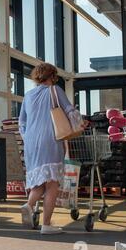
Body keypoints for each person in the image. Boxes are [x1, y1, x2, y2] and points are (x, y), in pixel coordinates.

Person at [18, 63, 84, 235]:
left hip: (31, 142)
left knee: (39, 180)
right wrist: (80, 124)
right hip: (50, 139)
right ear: (52, 76)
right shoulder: (55, 90)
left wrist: (29, 138)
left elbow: (21, 123)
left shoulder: (28, 95)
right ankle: (46, 224)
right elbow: (70, 111)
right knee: (52, 183)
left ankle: (29, 205)